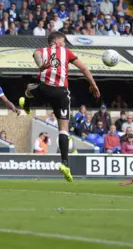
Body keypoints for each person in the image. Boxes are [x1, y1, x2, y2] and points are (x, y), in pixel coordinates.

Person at [18, 31, 100, 182]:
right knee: (63, 129)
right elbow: (84, 69)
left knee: (29, 87)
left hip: (44, 88)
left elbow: (36, 54)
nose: (64, 44)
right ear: (56, 41)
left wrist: (41, 64)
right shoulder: (66, 52)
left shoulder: (43, 51)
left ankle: (27, 104)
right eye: (63, 41)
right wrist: (93, 85)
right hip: (62, 93)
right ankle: (64, 163)